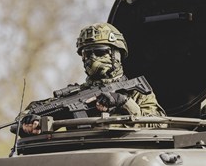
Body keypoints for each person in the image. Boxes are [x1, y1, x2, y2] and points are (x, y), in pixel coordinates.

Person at [16, 22, 166, 136]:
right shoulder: (76, 95)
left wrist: (123, 102)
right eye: (87, 54)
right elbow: (25, 116)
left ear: (116, 54)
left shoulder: (135, 92)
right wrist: (30, 122)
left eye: (100, 52)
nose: (92, 59)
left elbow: (159, 124)